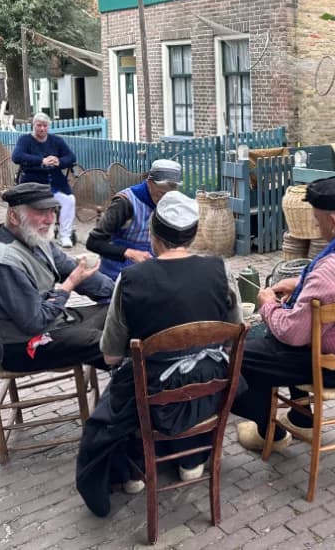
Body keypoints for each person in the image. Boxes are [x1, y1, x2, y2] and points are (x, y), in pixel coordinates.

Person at [75, 191, 243, 517]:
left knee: (109, 412)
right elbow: (233, 334)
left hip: (150, 392)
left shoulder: (131, 279)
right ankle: (192, 458)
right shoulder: (220, 271)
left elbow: (110, 355)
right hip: (208, 389)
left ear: (153, 234)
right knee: (196, 378)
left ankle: (133, 470)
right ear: (194, 233)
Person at [232, 175, 335, 452]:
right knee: (295, 325)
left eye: (318, 221)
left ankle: (269, 433)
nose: (316, 227)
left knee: (241, 354)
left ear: (333, 221)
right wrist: (301, 284)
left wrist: (266, 304)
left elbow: (292, 334)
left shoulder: (332, 269)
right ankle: (301, 418)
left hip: (333, 368)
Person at [0, 182, 114, 372]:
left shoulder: (36, 239)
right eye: (40, 212)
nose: (50, 219)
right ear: (14, 216)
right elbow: (34, 322)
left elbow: (71, 269)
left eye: (53, 211)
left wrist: (121, 289)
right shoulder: (1, 262)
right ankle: (130, 392)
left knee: (121, 314)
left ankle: (131, 382)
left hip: (54, 322)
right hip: (19, 344)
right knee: (108, 342)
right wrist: (68, 285)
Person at [85, 159, 183, 280]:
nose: (164, 199)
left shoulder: (172, 202)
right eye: (160, 193)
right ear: (149, 183)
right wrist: (130, 253)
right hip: (118, 275)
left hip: (150, 274)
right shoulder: (125, 203)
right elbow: (93, 243)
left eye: (169, 194)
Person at [13, 112, 77, 248]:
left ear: (48, 126)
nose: (42, 129)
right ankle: (33, 234)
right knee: (36, 206)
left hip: (56, 183)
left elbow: (71, 157)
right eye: (39, 125)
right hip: (33, 182)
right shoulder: (25, 140)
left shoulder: (56, 141)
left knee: (69, 200)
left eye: (45, 126)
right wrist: (41, 160)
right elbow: (17, 156)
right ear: (33, 125)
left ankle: (64, 235)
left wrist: (58, 161)